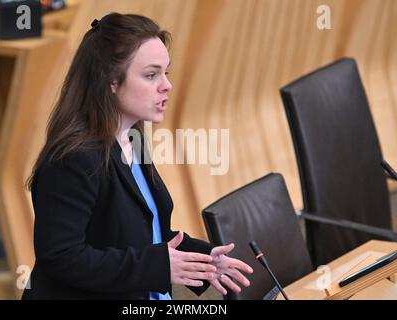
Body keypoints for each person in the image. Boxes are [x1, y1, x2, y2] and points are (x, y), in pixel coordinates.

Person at [21, 12, 252, 300]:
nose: (166, 85)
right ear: (111, 82)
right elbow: (61, 257)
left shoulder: (132, 139)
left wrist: (205, 260)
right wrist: (158, 266)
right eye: (151, 75)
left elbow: (145, 235)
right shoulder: (73, 159)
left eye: (166, 72)